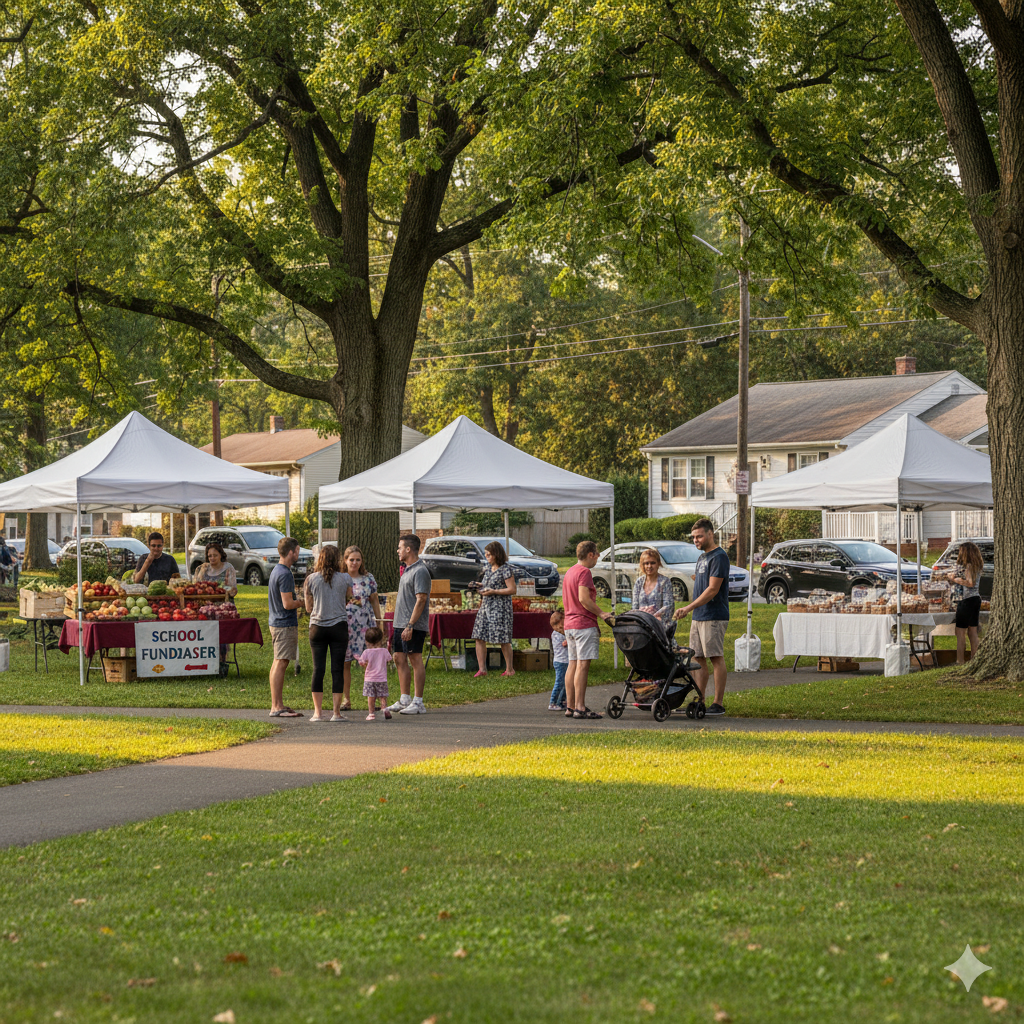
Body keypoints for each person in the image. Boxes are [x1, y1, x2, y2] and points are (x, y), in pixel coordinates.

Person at [674, 518, 729, 716]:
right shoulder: (702, 557)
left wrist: (688, 607)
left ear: (710, 534)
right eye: (694, 537)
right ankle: (700, 700)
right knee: (697, 658)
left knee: (715, 657)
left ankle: (718, 703)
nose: (696, 540)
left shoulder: (719, 557)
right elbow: (705, 582)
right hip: (699, 615)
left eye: (699, 536)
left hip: (714, 615)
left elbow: (713, 590)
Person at [563, 539, 615, 720]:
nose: (598, 557)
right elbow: (584, 599)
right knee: (583, 666)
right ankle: (580, 707)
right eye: (597, 553)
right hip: (583, 624)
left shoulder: (570, 571)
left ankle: (569, 706)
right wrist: (602, 614)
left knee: (572, 664)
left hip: (569, 624)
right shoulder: (584, 572)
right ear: (590, 554)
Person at [303, 543, 354, 722]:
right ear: (338, 560)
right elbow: (348, 597)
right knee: (337, 669)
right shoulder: (346, 578)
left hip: (317, 627)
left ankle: (317, 713)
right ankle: (336, 713)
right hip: (338, 626)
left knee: (318, 669)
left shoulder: (310, 579)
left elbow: (308, 608)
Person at [386, 535, 431, 715]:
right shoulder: (406, 569)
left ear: (408, 549)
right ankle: (404, 699)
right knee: (398, 657)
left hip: (413, 625)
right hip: (400, 623)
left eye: (400, 547)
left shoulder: (420, 571)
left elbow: (421, 599)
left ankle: (418, 702)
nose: (397, 551)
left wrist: (410, 625)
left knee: (415, 658)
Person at [341, 545, 383, 711]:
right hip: (346, 625)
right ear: (345, 561)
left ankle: (377, 698)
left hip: (365, 624)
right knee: (346, 663)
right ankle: (346, 699)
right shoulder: (341, 578)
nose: (355, 563)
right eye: (351, 560)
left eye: (358, 560)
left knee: (371, 662)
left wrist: (379, 622)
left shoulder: (368, 578)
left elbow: (374, 600)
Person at [268, 537, 305, 718]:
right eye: (297, 550)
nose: (298, 554)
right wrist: (304, 603)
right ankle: (276, 706)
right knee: (281, 662)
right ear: (292, 552)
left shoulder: (277, 570)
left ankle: (278, 703)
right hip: (284, 623)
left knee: (278, 661)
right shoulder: (285, 574)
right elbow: (288, 604)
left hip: (276, 622)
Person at [471, 541, 518, 677]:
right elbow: (487, 584)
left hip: (500, 607)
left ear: (496, 554)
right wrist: (478, 585)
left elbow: (512, 589)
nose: (487, 557)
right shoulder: (488, 568)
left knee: (503, 638)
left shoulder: (506, 569)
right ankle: (482, 669)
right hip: (486, 606)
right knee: (479, 636)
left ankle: (510, 669)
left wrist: (494, 591)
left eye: (489, 554)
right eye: (485, 554)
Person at [195, 542, 238, 676]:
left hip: (223, 607)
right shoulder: (203, 568)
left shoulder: (228, 568)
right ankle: (207, 662)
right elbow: (197, 586)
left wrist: (221, 590)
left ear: (221, 555)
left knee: (222, 636)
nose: (212, 558)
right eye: (209, 556)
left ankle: (222, 662)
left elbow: (233, 589)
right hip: (206, 607)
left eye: (215, 555)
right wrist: (202, 572)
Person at [952, 541, 983, 665]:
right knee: (973, 631)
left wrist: (955, 579)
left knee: (960, 632)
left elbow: (970, 583)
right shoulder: (977, 566)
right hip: (976, 599)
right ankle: (975, 660)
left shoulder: (969, 566)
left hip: (966, 600)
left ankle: (960, 660)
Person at [631, 548, 675, 625]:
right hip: (641, 624)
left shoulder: (665, 582)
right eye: (646, 563)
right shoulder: (639, 582)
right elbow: (634, 607)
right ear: (642, 565)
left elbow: (669, 606)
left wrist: (651, 617)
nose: (649, 566)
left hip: (659, 625)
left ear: (658, 564)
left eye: (652, 563)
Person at [358, 626, 393, 720]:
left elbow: (361, 662)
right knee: (383, 696)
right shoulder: (384, 651)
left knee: (371, 696)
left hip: (370, 679)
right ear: (380, 640)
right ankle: (384, 708)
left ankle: (371, 713)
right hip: (382, 678)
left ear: (367, 641)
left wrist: (360, 660)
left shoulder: (366, 652)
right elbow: (389, 659)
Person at [548, 609, 569, 711]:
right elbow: (564, 644)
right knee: (559, 682)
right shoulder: (556, 634)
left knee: (566, 683)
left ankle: (562, 701)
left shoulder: (562, 632)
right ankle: (553, 702)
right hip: (561, 661)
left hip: (566, 660)